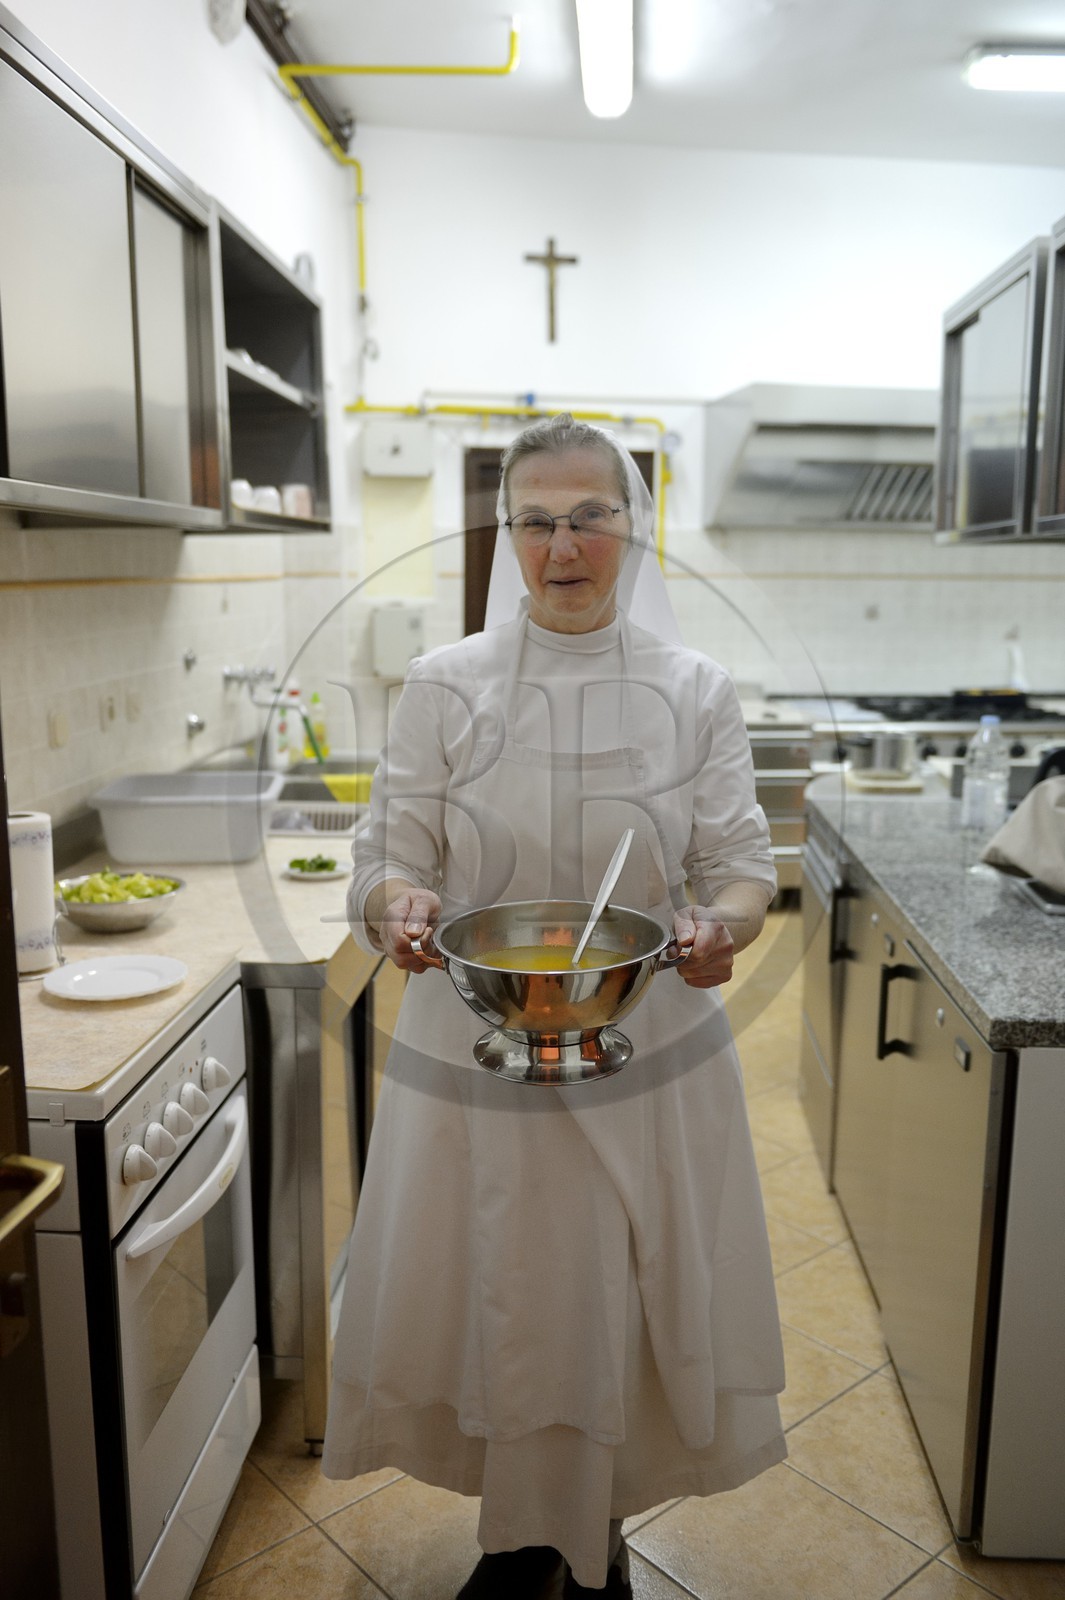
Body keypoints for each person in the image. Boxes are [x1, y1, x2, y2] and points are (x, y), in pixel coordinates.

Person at [321, 415, 786, 1598]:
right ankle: (521, 1536)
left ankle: (598, 1535)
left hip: (649, 1035)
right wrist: (399, 903)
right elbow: (381, 856)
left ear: (632, 531)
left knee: (618, 1290)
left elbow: (742, 864)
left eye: (591, 518)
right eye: (538, 520)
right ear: (505, 533)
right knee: (497, 1279)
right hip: (476, 1041)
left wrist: (716, 925)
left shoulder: (694, 690)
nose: (563, 546)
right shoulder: (443, 684)